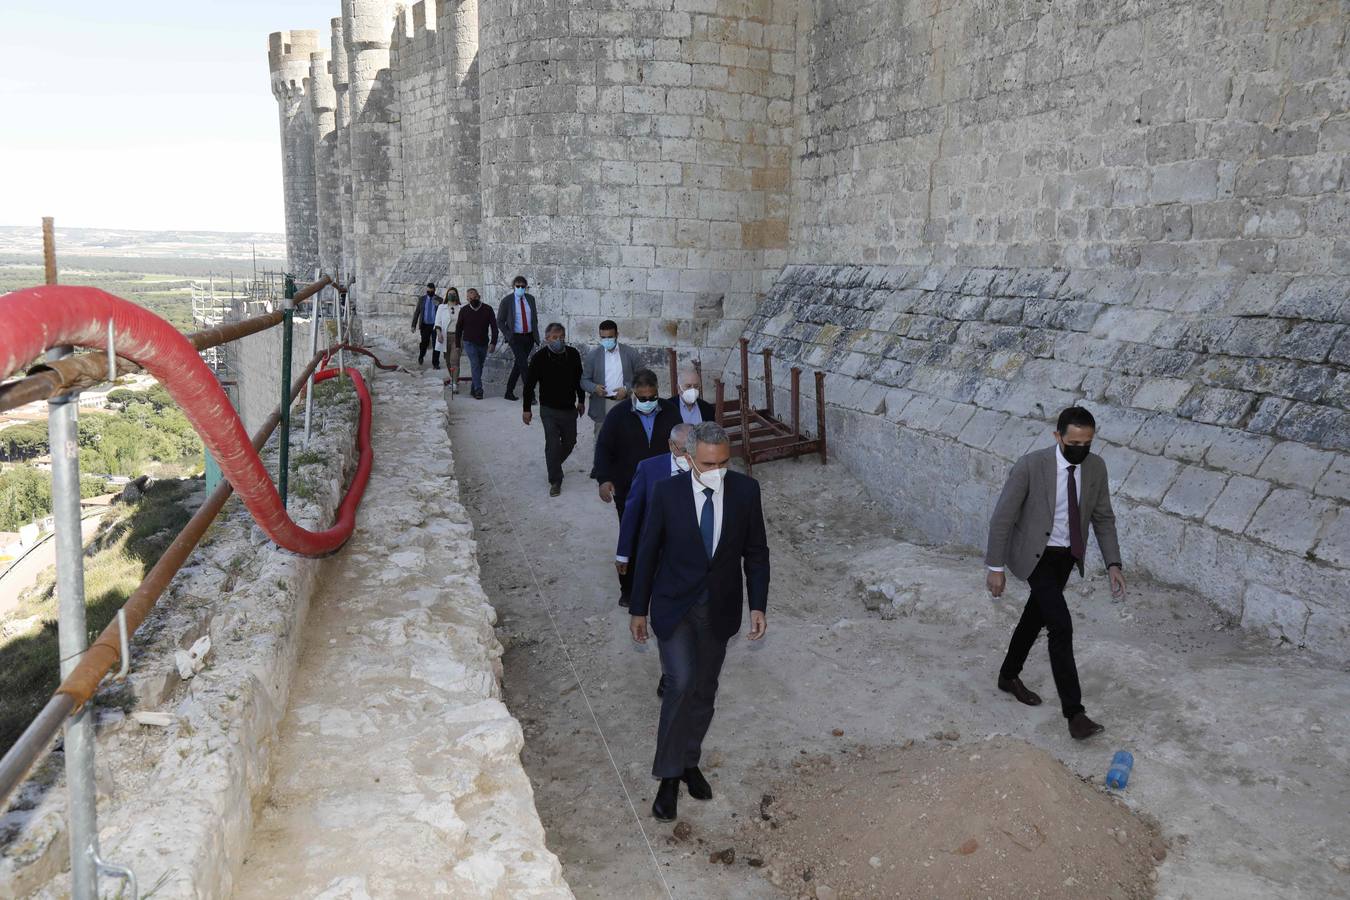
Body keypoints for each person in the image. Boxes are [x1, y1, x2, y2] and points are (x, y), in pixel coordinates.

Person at [630, 422, 770, 822]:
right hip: (675, 607)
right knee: (681, 683)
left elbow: (756, 553)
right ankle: (669, 778)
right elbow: (648, 551)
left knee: (705, 690)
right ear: (688, 458)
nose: (717, 471)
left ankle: (690, 761)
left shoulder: (746, 491)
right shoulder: (667, 493)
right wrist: (638, 609)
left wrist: (757, 605)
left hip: (719, 608)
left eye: (724, 462)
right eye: (708, 464)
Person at [985, 405, 1126, 742]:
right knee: (1060, 626)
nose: (1081, 449)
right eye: (1074, 442)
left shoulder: (1096, 468)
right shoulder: (1032, 466)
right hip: (1036, 557)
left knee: (1036, 616)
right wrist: (995, 567)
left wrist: (1113, 563)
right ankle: (1074, 714)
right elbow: (1002, 517)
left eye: (1087, 442)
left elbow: (1103, 517)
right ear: (1058, 437)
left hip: (1067, 557)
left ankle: (1008, 675)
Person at [616, 422, 693, 695]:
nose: (689, 457)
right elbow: (632, 513)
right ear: (671, 446)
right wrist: (623, 551)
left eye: (693, 450)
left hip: (693, 562)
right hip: (659, 560)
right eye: (684, 450)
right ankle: (670, 671)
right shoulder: (650, 470)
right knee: (667, 620)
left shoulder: (706, 469)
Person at [593, 368, 681, 523]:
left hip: (663, 486)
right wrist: (604, 479)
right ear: (633, 392)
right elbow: (603, 447)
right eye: (642, 398)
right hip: (628, 487)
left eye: (652, 397)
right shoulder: (617, 415)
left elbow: (681, 444)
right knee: (630, 532)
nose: (648, 402)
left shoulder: (671, 412)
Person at [522, 323, 586, 496]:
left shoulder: (572, 354)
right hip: (548, 409)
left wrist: (581, 400)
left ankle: (553, 465)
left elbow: (579, 379)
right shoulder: (539, 358)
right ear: (547, 339)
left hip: (569, 408)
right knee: (552, 444)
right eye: (555, 338)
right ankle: (555, 480)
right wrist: (526, 409)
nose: (559, 341)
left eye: (562, 337)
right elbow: (529, 385)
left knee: (570, 442)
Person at [580, 320, 641, 437]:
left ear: (617, 335)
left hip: (624, 402)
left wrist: (627, 388)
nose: (607, 340)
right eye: (603, 337)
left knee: (625, 437)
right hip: (602, 403)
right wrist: (594, 387)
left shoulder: (630, 353)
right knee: (601, 439)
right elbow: (584, 380)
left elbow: (643, 376)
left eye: (610, 337)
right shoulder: (593, 356)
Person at [497, 275, 539, 401]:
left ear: (526, 287)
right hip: (515, 338)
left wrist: (535, 334)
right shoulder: (507, 301)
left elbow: (534, 318)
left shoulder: (530, 299)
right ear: (513, 287)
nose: (520, 288)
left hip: (529, 337)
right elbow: (500, 321)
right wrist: (508, 335)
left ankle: (509, 391)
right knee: (524, 366)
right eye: (518, 286)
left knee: (519, 365)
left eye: (523, 286)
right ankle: (530, 395)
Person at [454, 289, 498, 399]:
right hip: (468, 342)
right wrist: (458, 345)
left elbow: (494, 327)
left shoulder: (488, 309)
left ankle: (474, 388)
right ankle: (479, 389)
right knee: (475, 363)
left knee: (479, 366)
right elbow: (458, 328)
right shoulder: (464, 310)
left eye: (475, 297)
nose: (473, 300)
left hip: (483, 342)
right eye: (470, 298)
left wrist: (493, 342)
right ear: (467, 299)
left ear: (479, 296)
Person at [432, 288, 461, 377]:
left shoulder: (461, 308)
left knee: (454, 360)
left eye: (454, 293)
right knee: (448, 361)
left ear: (457, 295)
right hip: (445, 337)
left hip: (457, 337)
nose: (452, 295)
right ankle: (453, 379)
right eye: (450, 293)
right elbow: (438, 322)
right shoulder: (441, 307)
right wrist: (439, 333)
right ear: (447, 295)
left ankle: (455, 384)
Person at [411, 282, 439, 365]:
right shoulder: (422, 299)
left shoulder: (438, 300)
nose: (429, 292)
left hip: (435, 326)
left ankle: (435, 363)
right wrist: (413, 325)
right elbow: (417, 312)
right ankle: (421, 356)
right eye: (428, 291)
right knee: (424, 343)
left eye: (431, 291)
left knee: (436, 345)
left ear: (434, 290)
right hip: (425, 325)